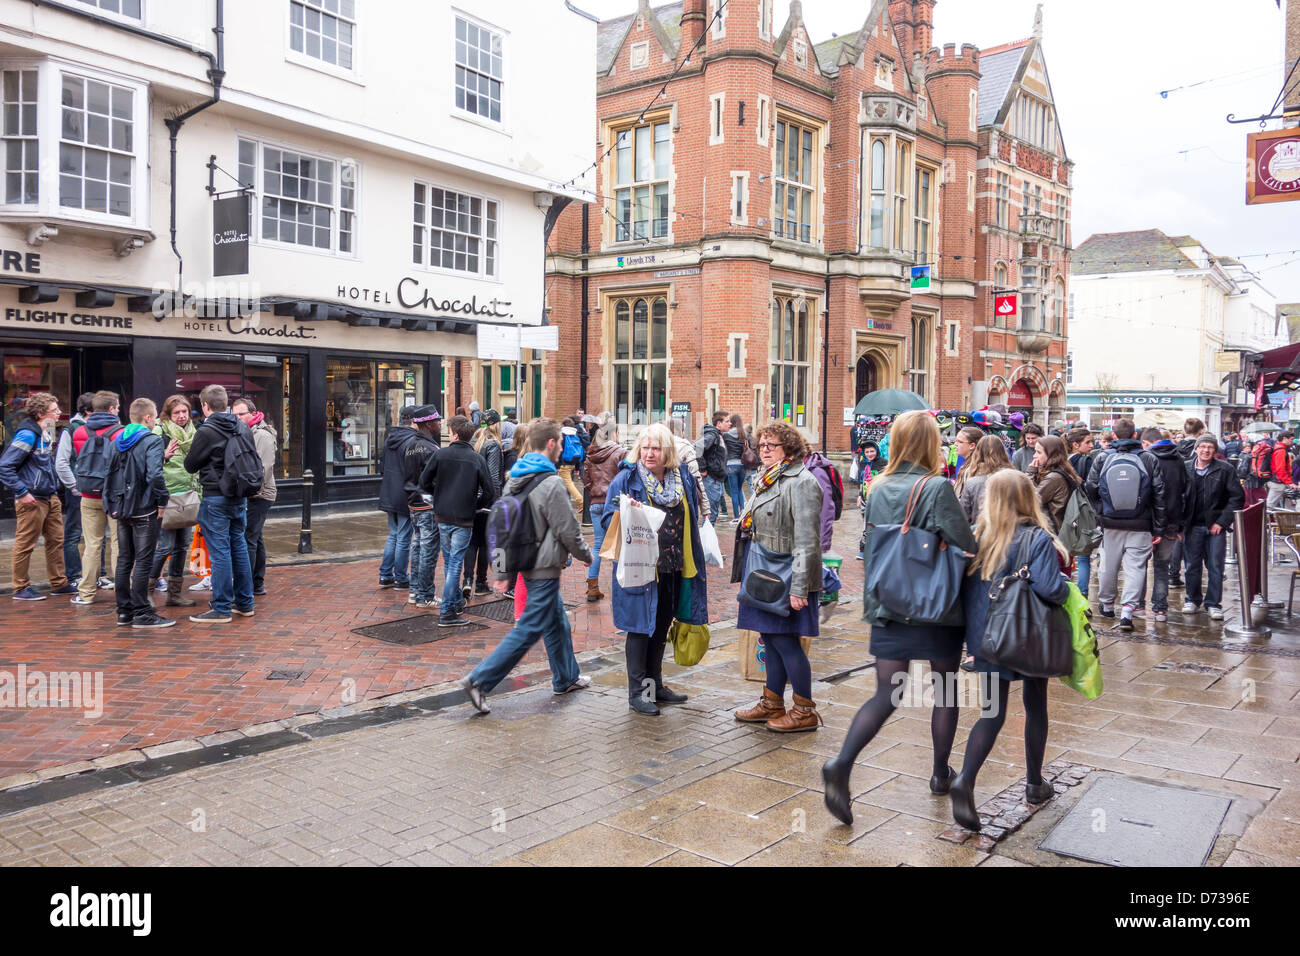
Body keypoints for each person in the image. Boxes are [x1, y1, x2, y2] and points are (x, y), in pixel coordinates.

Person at [822, 410, 977, 824]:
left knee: (885, 693)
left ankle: (843, 762)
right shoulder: (937, 487)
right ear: (929, 444)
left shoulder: (878, 486)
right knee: (944, 690)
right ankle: (940, 774)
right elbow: (964, 544)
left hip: (887, 602)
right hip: (935, 607)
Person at [948, 470, 1071, 830]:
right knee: (1036, 706)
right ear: (1028, 498)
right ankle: (1035, 784)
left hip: (987, 640)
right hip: (1029, 637)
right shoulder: (1037, 539)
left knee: (992, 713)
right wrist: (1066, 590)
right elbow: (1052, 589)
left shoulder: (976, 537)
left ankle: (965, 779)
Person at [460, 419, 592, 713]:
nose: (561, 447)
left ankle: (566, 677)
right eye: (559, 441)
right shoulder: (552, 482)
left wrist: (504, 571)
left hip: (526, 563)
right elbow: (567, 529)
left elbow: (503, 526)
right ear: (550, 444)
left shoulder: (516, 476)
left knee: (558, 621)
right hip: (544, 566)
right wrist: (586, 555)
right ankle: (479, 680)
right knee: (531, 628)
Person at [602, 422, 709, 716]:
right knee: (640, 630)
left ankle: (654, 688)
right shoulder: (627, 479)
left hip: (674, 566)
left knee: (661, 627)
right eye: (645, 447)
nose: (649, 453)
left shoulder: (682, 478)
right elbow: (603, 518)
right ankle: (637, 693)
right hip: (641, 570)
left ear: (668, 451)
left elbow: (692, 514)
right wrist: (624, 512)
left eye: (655, 448)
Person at [733, 421, 825, 731]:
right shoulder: (766, 479)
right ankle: (772, 703)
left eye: (772, 445)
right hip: (764, 573)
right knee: (769, 638)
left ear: (790, 448)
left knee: (786, 642)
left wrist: (799, 588)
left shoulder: (802, 482)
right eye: (761, 446)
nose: (765, 451)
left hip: (787, 576)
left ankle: (804, 710)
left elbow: (807, 540)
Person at [1084, 418, 1168, 631]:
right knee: (1136, 567)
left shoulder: (1103, 457)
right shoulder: (1149, 458)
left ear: (1113, 436)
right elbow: (1159, 493)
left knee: (1107, 566)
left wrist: (1100, 513)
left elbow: (1090, 487)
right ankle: (1128, 612)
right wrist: (1158, 527)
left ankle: (1107, 604)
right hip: (1141, 523)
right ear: (1135, 435)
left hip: (1110, 523)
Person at [183, 384, 256, 624]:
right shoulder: (242, 427)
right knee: (239, 548)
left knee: (220, 553)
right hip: (239, 495)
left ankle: (222, 607)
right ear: (226, 403)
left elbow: (191, 465)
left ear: (205, 406)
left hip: (215, 496)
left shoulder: (207, 430)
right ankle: (245, 603)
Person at [419, 414, 496, 627]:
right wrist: (476, 504)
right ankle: (448, 612)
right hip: (463, 517)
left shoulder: (440, 455)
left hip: (443, 515)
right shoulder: (477, 459)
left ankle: (452, 603)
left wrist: (439, 497)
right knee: (454, 563)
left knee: (450, 562)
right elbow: (489, 491)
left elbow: (424, 483)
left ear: (454, 434)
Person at [0, 392, 72, 601]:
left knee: (56, 540)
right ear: (41, 414)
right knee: (26, 543)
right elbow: (5, 466)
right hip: (33, 498)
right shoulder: (28, 435)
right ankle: (21, 588)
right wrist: (22, 492)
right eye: (55, 410)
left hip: (48, 495)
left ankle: (59, 583)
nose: (59, 412)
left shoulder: (45, 432)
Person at [108, 398, 173, 629]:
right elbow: (154, 475)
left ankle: (124, 611)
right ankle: (142, 613)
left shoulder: (117, 439)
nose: (155, 420)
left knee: (124, 560)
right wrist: (162, 500)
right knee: (143, 561)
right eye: (154, 416)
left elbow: (110, 473)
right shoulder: (152, 440)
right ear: (147, 418)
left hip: (123, 507)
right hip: (145, 508)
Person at [71, 390, 125, 605]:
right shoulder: (121, 433)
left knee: (92, 545)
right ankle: (123, 592)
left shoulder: (79, 432)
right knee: (119, 544)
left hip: (88, 493)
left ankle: (85, 593)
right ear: (112, 409)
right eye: (118, 407)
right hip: (114, 494)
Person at [1183, 436, 1245, 621]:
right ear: (1196, 449)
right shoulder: (1185, 468)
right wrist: (1178, 525)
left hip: (1215, 526)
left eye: (1210, 447)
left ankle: (1213, 603)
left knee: (1216, 567)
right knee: (1191, 566)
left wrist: (1222, 522)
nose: (1206, 450)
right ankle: (1192, 599)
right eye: (1202, 446)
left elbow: (1236, 498)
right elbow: (1178, 496)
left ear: (1215, 450)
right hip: (1192, 526)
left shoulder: (1225, 469)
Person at [149, 394, 200, 609]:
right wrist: (164, 456)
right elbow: (148, 466)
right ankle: (146, 591)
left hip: (188, 496)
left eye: (184, 412)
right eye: (176, 412)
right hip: (167, 497)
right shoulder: (159, 431)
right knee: (165, 547)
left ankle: (175, 594)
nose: (181, 416)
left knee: (182, 546)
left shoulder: (194, 433)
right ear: (168, 414)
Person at [1140, 427, 1188, 622]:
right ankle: (1160, 608)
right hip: (1171, 521)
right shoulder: (1179, 460)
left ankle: (1138, 604)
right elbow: (1185, 492)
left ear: (1146, 443)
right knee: (1162, 566)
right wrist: (1180, 524)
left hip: (1147, 521)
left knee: (1140, 565)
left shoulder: (1145, 458)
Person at [231, 396, 277, 597]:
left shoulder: (262, 435)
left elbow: (264, 468)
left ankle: (246, 586)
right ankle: (257, 583)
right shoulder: (245, 432)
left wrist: (251, 492)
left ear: (252, 413)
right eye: (235, 415)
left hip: (260, 494)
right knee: (256, 538)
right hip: (252, 492)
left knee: (248, 538)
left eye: (242, 414)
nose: (238, 418)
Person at [401, 406, 442, 609]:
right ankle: (425, 595)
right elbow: (437, 480)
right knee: (428, 550)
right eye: (437, 421)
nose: (440, 424)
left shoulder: (409, 445)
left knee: (417, 547)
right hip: (428, 506)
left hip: (413, 504)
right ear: (428, 424)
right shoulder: (432, 449)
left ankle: (415, 591)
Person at [462, 410, 504, 600]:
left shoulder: (473, 443)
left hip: (471, 499)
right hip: (486, 501)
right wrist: (496, 501)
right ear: (496, 425)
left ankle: (466, 581)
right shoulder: (493, 445)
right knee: (485, 542)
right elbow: (494, 477)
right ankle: (481, 582)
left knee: (472, 542)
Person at [54, 391, 94, 588]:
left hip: (93, 489)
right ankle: (73, 574)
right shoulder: (71, 430)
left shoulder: (95, 428)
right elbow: (61, 462)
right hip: (79, 491)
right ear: (88, 411)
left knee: (95, 535)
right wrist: (74, 486)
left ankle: (98, 574)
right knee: (74, 533)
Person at [376, 408, 419, 591]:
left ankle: (385, 575)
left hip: (389, 493)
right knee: (403, 537)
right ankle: (401, 577)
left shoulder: (390, 438)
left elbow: (383, 468)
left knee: (394, 535)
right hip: (404, 495)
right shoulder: (412, 441)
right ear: (413, 421)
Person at [582, 420, 622, 602]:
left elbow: (587, 481)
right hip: (613, 504)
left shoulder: (591, 454)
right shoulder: (620, 453)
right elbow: (625, 478)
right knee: (617, 546)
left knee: (598, 545)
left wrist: (593, 493)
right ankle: (619, 588)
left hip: (596, 503)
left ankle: (592, 587)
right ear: (614, 434)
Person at [1066, 427, 1099, 594]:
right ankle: (1083, 594)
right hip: (1083, 512)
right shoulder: (1085, 461)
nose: (1092, 445)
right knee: (1084, 557)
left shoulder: (1063, 461)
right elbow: (1090, 488)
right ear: (1075, 445)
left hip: (1066, 514)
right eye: (1088, 442)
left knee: (1066, 557)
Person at [957, 434, 1013, 526]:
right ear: (1003, 452)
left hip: (980, 533)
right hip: (1009, 532)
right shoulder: (1014, 478)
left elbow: (964, 517)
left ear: (978, 452)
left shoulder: (972, 482)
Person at [1029, 435, 1079, 533]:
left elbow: (1030, 500)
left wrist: (1030, 473)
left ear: (1051, 455)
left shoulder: (1054, 477)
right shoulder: (1061, 470)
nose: (1034, 456)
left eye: (1038, 452)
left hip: (1053, 530)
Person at [668, 416, 710, 524]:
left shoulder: (658, 444)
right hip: (683, 497)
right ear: (681, 431)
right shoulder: (686, 447)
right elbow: (696, 477)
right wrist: (705, 508)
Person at [694, 409, 729, 522]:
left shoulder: (718, 435)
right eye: (727, 421)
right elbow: (697, 448)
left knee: (713, 512)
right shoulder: (712, 435)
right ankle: (706, 538)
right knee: (711, 513)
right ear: (719, 423)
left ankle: (708, 536)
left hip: (717, 479)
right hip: (711, 480)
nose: (730, 424)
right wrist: (703, 469)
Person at [855, 440, 888, 559]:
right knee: (866, 523)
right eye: (867, 452)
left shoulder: (884, 463)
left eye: (872, 451)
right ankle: (866, 549)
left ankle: (868, 549)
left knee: (873, 523)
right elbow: (861, 480)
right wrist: (859, 495)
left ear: (876, 451)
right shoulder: (863, 464)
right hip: (865, 498)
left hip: (878, 498)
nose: (869, 454)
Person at [556, 417, 586, 521]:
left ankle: (581, 500)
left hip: (564, 464)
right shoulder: (574, 435)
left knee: (568, 484)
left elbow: (559, 451)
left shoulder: (563, 435)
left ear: (564, 425)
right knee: (565, 485)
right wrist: (577, 467)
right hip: (572, 463)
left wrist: (557, 465)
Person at [723, 413, 748, 517]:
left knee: (734, 492)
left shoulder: (726, 435)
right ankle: (742, 513)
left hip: (731, 465)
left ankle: (736, 517)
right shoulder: (744, 435)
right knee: (740, 489)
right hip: (742, 465)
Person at [1266, 431, 1294, 509]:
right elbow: (1280, 469)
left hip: (1278, 481)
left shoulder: (1278, 448)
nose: (1292, 441)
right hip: (1278, 483)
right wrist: (1289, 482)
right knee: (1269, 506)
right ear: (1284, 439)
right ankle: (1261, 520)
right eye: (1291, 439)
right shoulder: (1281, 450)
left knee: (1273, 506)